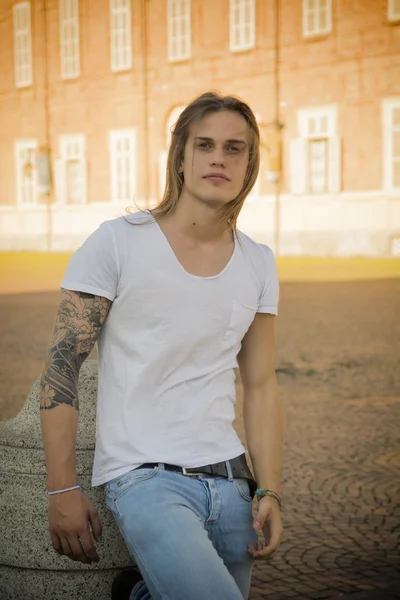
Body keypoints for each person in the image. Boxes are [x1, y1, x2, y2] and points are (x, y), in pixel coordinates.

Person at [39, 91, 284, 600]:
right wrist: (62, 488)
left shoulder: (259, 262)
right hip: (145, 479)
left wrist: (269, 489)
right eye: (205, 144)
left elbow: (260, 385)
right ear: (180, 157)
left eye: (235, 148)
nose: (219, 157)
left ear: (250, 163)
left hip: (232, 484)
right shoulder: (118, 241)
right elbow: (61, 368)